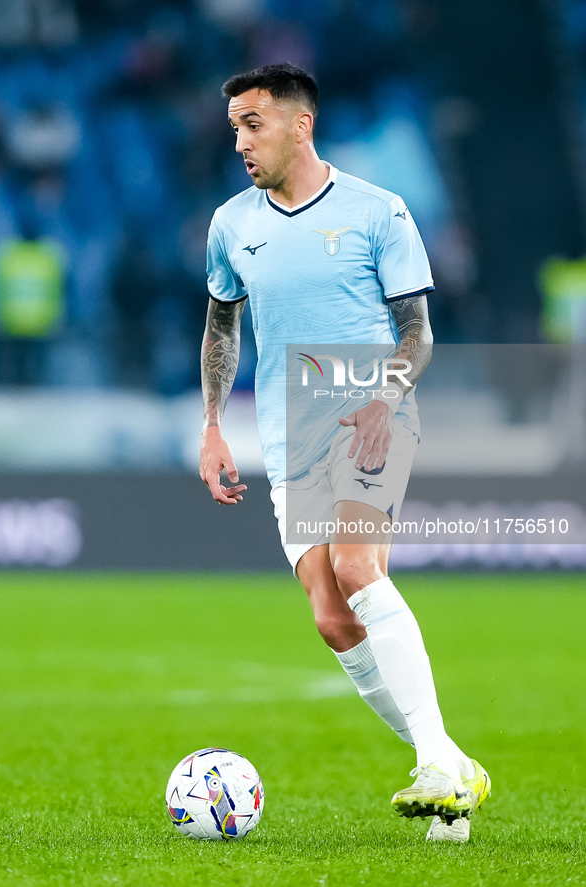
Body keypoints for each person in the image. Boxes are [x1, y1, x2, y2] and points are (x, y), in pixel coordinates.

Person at [199, 63, 490, 842]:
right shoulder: (232, 223)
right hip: (285, 439)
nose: (240, 142)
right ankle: (454, 764)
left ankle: (433, 767)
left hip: (371, 415)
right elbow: (221, 324)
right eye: (233, 127)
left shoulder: (377, 211)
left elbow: (418, 334)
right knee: (332, 618)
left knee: (359, 568)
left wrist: (384, 395)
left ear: (300, 124)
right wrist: (212, 425)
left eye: (252, 124)